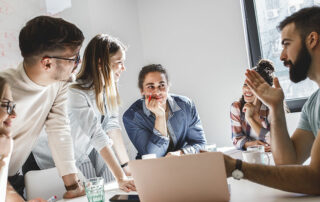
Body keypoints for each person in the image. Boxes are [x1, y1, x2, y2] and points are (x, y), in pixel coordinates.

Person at [224, 6, 320, 194]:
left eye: (286, 44)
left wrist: (236, 167)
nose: (282, 56)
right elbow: (288, 163)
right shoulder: (313, 103)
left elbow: (316, 179)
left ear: (312, 39)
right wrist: (275, 108)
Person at [31, 34, 136, 192]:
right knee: (94, 190)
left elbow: (112, 125)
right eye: (119, 62)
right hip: (58, 154)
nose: (123, 68)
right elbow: (96, 133)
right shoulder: (75, 90)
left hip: (85, 147)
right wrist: (120, 177)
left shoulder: (109, 88)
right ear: (101, 63)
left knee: (113, 183)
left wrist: (126, 166)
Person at [1, 16, 85, 199]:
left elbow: (59, 129)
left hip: (13, 178)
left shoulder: (59, 84)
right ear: (47, 63)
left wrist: (73, 186)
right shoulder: (4, 89)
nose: (77, 65)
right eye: (74, 58)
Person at [123, 64, 207, 159]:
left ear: (168, 86)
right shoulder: (132, 116)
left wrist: (181, 153)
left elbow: (200, 143)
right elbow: (153, 156)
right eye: (151, 87)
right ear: (142, 90)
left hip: (183, 163)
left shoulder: (186, 105)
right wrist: (160, 117)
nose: (157, 91)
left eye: (162, 85)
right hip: (152, 170)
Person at [230, 59, 274, 152]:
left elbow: (274, 142)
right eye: (246, 84)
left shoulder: (271, 108)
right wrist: (253, 144)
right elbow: (236, 139)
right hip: (249, 154)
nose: (247, 89)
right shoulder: (236, 107)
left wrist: (250, 118)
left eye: (253, 86)